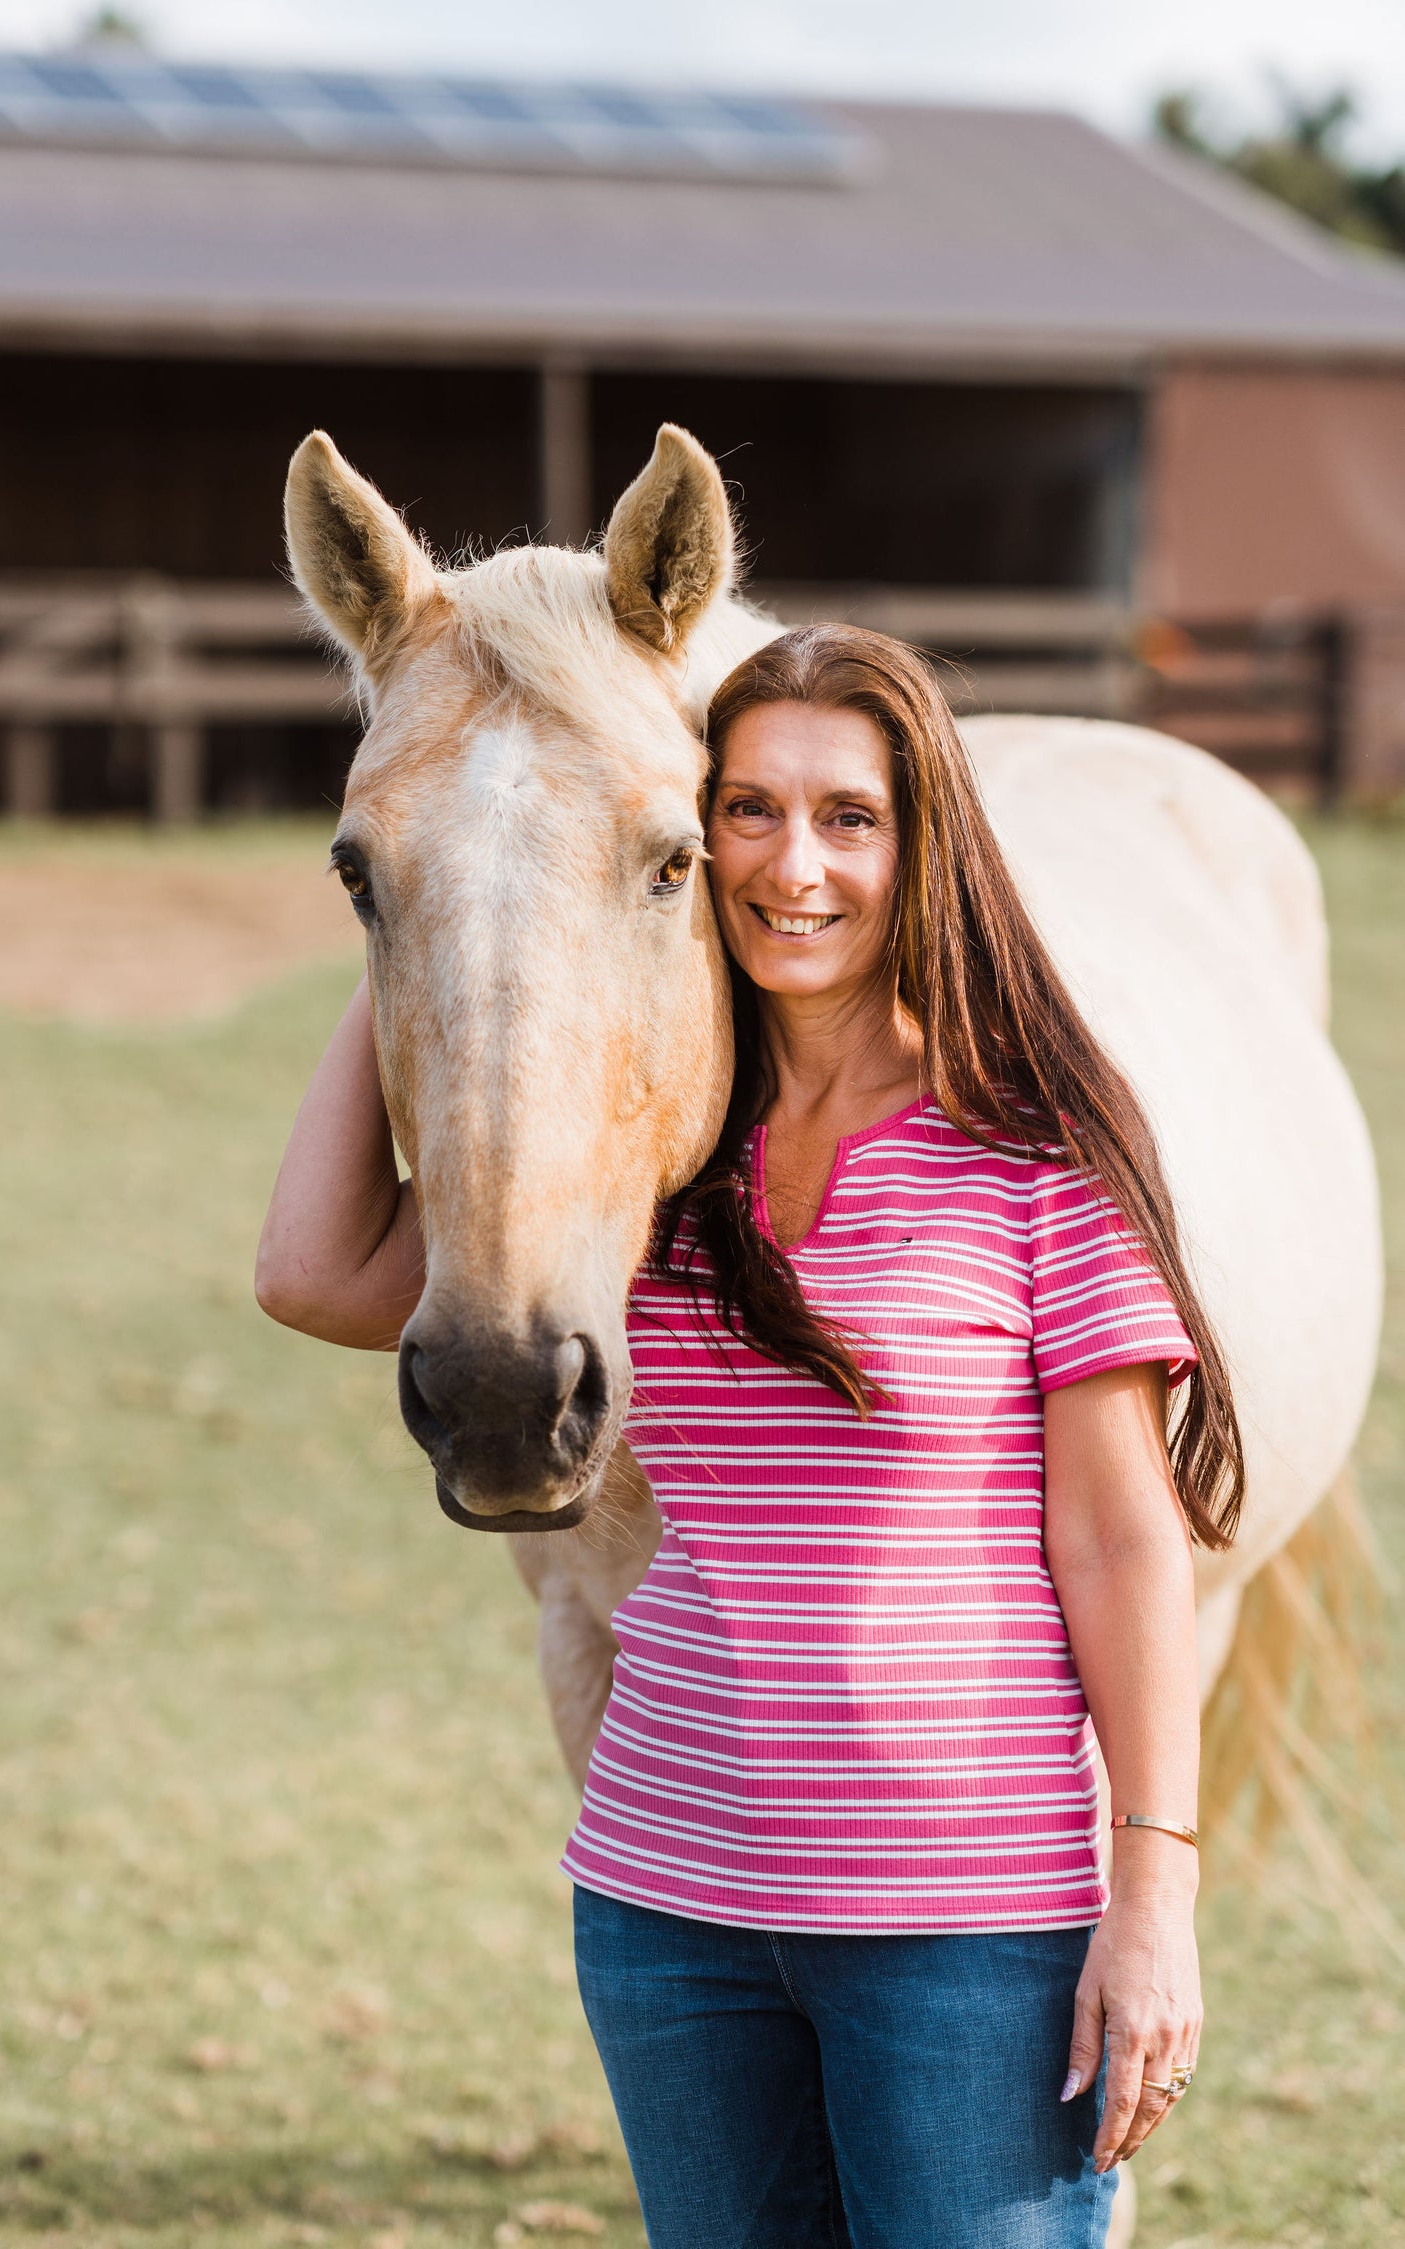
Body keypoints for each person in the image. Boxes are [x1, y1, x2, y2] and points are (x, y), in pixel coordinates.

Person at [257, 624, 1243, 2249]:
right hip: (671, 1908)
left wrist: (1156, 1891)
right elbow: (308, 1271)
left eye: (850, 815)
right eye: (753, 811)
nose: (796, 865)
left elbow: (1124, 1536)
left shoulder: (1034, 1146)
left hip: (968, 1927)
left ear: (926, 847)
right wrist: (432, 894)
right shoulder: (657, 1170)